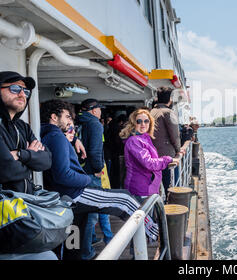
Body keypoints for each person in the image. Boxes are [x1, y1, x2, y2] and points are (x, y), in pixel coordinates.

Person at [40, 100, 159, 260]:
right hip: (74, 193)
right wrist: (86, 179)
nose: (70, 121)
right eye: (67, 116)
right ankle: (158, 234)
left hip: (64, 199)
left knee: (73, 237)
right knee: (125, 199)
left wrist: (73, 140)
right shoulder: (56, 137)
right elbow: (63, 174)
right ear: (54, 117)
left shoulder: (47, 134)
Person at [0, 71, 55, 259]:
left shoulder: (22, 127)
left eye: (25, 91)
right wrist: (31, 158)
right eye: (15, 89)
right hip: (4, 217)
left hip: (24, 210)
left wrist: (20, 155)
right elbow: (6, 170)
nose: (22, 94)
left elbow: (47, 160)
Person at [76, 98, 113, 259]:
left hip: (79, 172)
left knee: (83, 213)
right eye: (99, 109)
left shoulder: (78, 122)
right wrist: (98, 170)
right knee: (92, 215)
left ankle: (87, 243)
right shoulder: (95, 124)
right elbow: (95, 151)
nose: (100, 112)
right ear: (93, 110)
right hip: (91, 174)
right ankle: (86, 253)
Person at [120, 108, 176, 199]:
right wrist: (167, 159)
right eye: (139, 121)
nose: (143, 124)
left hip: (148, 187)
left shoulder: (144, 138)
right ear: (133, 123)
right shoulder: (134, 141)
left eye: (146, 121)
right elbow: (149, 163)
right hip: (140, 189)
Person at [150, 87, 184, 196]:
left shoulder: (151, 112)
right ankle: (172, 207)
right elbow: (175, 135)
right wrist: (179, 150)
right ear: (169, 99)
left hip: (153, 156)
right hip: (167, 157)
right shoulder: (168, 112)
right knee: (171, 186)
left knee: (156, 186)